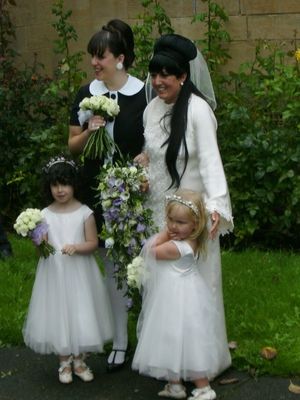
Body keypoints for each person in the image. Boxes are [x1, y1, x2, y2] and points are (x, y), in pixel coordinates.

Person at [134, 33, 233, 383]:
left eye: (166, 74)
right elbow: (153, 156)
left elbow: (210, 162)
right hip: (159, 212)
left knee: (197, 292)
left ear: (183, 77)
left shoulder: (198, 111)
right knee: (165, 293)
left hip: (192, 218)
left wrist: (216, 207)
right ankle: (171, 366)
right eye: (154, 74)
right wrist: (141, 173)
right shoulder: (151, 110)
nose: (158, 81)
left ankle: (203, 366)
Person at [68, 19, 148, 370]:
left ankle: (149, 334)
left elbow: (154, 143)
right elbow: (72, 146)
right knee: (112, 266)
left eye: (100, 56)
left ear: (120, 58)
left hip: (134, 194)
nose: (94, 63)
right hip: (97, 192)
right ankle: (119, 338)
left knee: (143, 266)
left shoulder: (144, 93)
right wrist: (89, 130)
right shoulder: (86, 94)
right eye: (92, 57)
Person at [22, 156, 114, 384]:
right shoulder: (44, 214)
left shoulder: (85, 212)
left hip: (80, 272)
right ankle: (64, 361)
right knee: (59, 313)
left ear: (74, 184)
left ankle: (80, 360)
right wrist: (39, 242)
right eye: (55, 185)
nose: (60, 190)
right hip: (54, 273)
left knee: (80, 311)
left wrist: (77, 247)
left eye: (64, 184)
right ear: (49, 187)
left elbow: (93, 243)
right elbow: (40, 251)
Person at [132, 189, 219, 400]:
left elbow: (150, 250)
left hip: (179, 299)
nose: (172, 226)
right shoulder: (191, 241)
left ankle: (204, 388)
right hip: (176, 296)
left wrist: (163, 234)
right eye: (170, 220)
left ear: (195, 226)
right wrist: (170, 231)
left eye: (180, 222)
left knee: (188, 342)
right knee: (170, 339)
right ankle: (175, 385)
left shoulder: (178, 247)